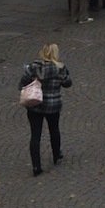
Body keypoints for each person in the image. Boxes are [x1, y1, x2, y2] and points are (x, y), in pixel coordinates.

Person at [19, 43, 72, 176]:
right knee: (54, 129)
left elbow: (22, 84)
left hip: (35, 105)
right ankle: (56, 154)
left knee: (35, 135)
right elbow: (68, 83)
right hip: (53, 105)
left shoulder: (33, 67)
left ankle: (36, 166)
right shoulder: (60, 68)